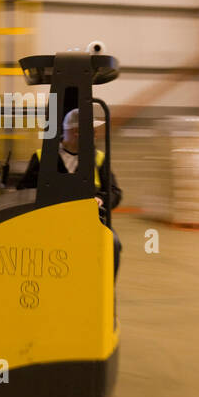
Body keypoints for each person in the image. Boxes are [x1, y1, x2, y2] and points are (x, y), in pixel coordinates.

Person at [17, 108, 122, 276]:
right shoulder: (42, 157)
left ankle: (106, 294)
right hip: (50, 223)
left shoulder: (98, 158)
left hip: (90, 223)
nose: (94, 136)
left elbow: (115, 192)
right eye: (91, 131)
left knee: (113, 244)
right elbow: (23, 190)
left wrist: (101, 199)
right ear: (75, 132)